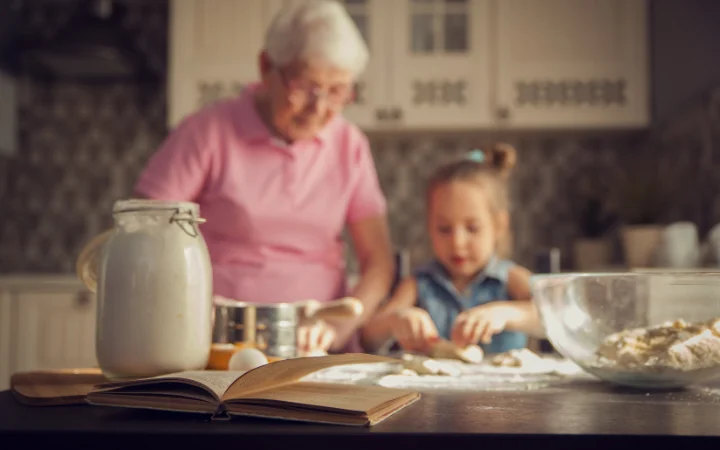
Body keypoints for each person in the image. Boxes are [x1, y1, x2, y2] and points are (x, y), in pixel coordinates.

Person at [133, 0, 394, 355]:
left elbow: (379, 262)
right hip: (215, 341)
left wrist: (340, 326)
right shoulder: (208, 131)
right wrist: (188, 308)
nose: (320, 109)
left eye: (337, 91)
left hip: (315, 348)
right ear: (266, 67)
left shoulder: (350, 145)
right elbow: (146, 232)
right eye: (306, 87)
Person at [361, 144, 544, 355]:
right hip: (431, 388)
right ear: (429, 227)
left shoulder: (509, 278)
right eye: (444, 229)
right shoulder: (419, 283)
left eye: (472, 228)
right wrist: (397, 320)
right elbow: (369, 336)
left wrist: (506, 314)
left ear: (499, 226)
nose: (457, 242)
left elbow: (556, 317)